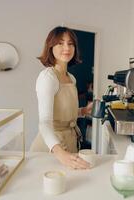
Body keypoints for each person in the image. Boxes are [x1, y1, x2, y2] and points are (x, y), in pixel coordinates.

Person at [30, 26, 93, 170]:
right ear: (50, 46)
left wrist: (82, 111)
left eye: (70, 43)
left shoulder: (71, 78)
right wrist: (60, 154)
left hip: (70, 141)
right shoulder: (48, 77)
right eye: (60, 43)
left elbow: (62, 113)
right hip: (51, 147)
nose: (67, 47)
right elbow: (45, 123)